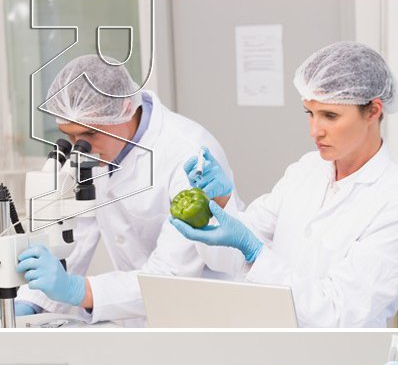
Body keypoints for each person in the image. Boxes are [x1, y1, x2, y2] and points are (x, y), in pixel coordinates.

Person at [170, 42, 398, 329]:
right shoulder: (306, 169)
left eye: (330, 116)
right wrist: (219, 203)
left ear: (373, 111)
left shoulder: (397, 203)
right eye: (310, 113)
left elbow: (339, 315)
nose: (314, 131)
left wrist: (255, 251)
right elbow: (230, 259)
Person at [15, 55, 234, 325]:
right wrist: (31, 300)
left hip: (202, 316)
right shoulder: (97, 152)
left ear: (126, 108)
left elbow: (171, 275)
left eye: (90, 134)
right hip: (138, 316)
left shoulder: (189, 154)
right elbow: (76, 238)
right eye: (70, 136)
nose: (80, 147)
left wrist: (77, 289)